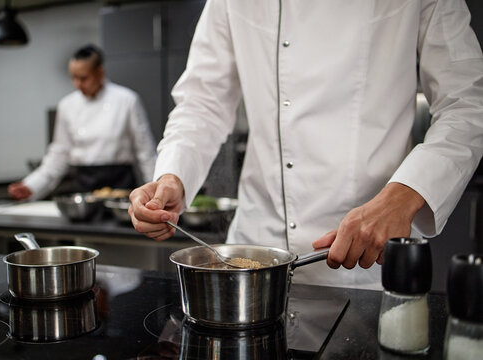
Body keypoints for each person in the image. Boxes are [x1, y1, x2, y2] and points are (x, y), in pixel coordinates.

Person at [128, 1, 483, 289]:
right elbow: (202, 102)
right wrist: (173, 176)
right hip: (252, 254)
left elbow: (468, 103)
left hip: (365, 263)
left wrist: (404, 197)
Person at [8, 44, 157, 201]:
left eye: (83, 78)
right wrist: (31, 185)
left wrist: (155, 194)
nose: (77, 84)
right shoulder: (67, 105)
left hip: (120, 185)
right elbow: (59, 155)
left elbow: (145, 152)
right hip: (83, 186)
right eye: (73, 77)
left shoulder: (126, 100)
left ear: (100, 72)